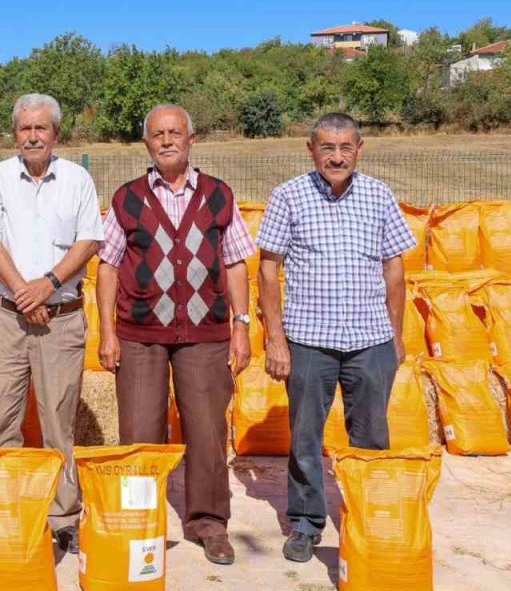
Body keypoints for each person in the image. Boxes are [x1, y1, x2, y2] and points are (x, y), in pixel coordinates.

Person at [95, 104, 255, 565]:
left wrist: (240, 329)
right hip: (139, 335)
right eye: (158, 134)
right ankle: (139, 519)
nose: (167, 141)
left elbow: (236, 263)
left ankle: (209, 523)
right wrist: (108, 332)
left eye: (175, 133)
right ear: (146, 143)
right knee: (141, 431)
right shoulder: (127, 199)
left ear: (191, 140)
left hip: (206, 336)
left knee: (205, 430)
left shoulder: (218, 196)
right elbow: (106, 267)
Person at [256, 112, 415, 564]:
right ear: (311, 150)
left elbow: (394, 268)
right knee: (305, 438)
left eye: (346, 147)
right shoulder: (289, 196)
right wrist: (275, 339)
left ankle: (367, 516)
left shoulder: (379, 195)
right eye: (328, 147)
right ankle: (306, 524)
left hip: (370, 340)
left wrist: (396, 335)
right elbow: (268, 268)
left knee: (370, 438)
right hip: (309, 340)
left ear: (360, 149)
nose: (337, 156)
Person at [0, 93, 103, 554]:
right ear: (15, 133)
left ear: (56, 134)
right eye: (25, 128)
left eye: (41, 128)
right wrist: (22, 291)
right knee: (0, 420)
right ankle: (4, 510)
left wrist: (47, 285)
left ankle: (63, 516)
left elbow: (89, 241)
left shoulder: (78, 179)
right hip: (7, 318)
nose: (33, 135)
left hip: (61, 319)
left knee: (57, 424)